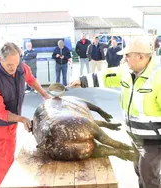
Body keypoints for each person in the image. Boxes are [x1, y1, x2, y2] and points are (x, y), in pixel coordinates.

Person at [69, 36, 161, 188]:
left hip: (154, 140)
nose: (124, 59)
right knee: (139, 171)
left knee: (148, 175)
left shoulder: (158, 78)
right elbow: (106, 76)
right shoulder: (127, 71)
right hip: (135, 136)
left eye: (127, 56)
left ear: (141, 57)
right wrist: (82, 80)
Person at [0, 42, 50, 187]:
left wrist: (45, 95)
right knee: (0, 162)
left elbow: (31, 80)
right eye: (9, 65)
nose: (14, 68)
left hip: (12, 122)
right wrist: (22, 119)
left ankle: (11, 183)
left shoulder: (20, 67)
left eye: (16, 63)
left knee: (10, 158)